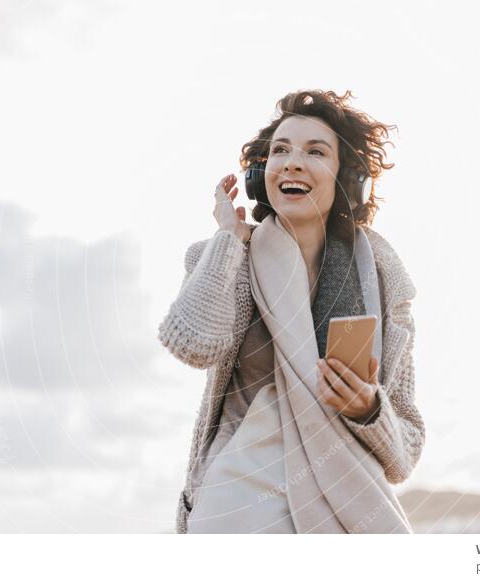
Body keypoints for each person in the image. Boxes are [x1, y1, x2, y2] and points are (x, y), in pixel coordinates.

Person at [158, 89, 425, 534]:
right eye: (280, 150)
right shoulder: (224, 256)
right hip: (238, 505)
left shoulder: (384, 280)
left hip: (347, 507)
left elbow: (406, 451)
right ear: (261, 175)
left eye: (315, 151)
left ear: (349, 177)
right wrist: (228, 237)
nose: (292, 162)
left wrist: (368, 409)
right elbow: (192, 343)